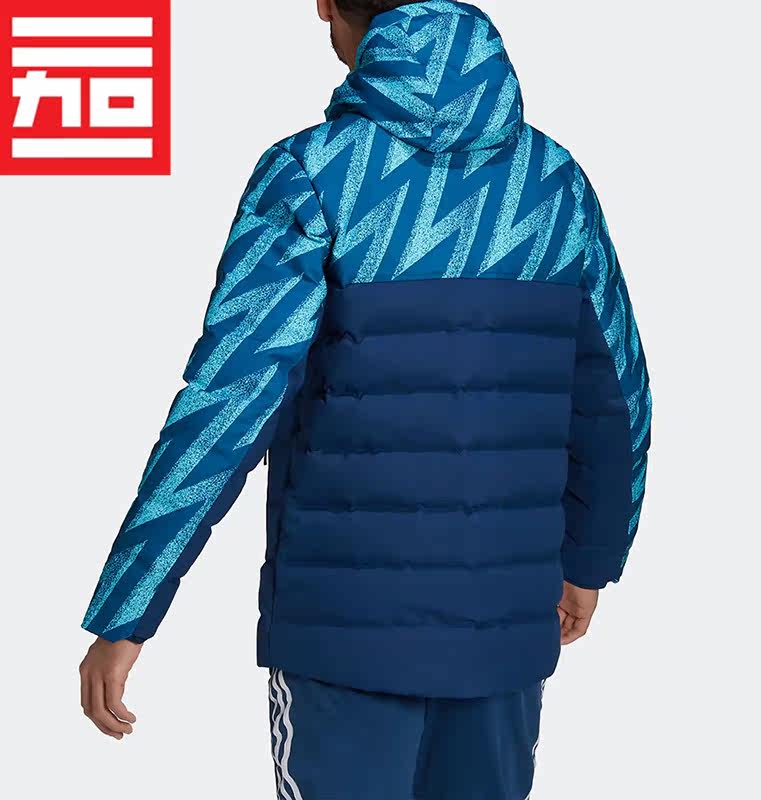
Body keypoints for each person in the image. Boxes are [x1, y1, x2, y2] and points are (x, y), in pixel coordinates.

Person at [79, 1, 652, 797]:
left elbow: (230, 403)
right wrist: (588, 560)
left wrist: (129, 606)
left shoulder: (314, 175)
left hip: (342, 642)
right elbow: (617, 395)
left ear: (325, 5)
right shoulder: (554, 183)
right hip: (504, 636)